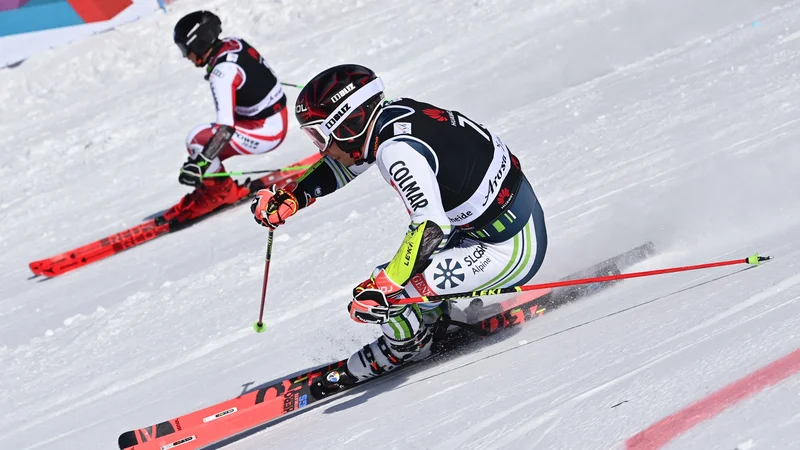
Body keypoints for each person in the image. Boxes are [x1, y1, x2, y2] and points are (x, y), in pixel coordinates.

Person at [250, 64, 548, 386]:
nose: (322, 149)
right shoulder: (391, 116)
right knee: (398, 278)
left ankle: (408, 347)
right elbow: (349, 163)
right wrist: (295, 196)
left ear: (349, 124)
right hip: (493, 227)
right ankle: (431, 320)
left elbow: (431, 226)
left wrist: (387, 286)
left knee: (386, 293)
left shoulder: (396, 151)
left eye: (321, 135)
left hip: (510, 248)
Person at [165, 10, 289, 222]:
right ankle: (216, 185)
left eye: (185, 48)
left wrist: (201, 164)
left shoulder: (221, 73)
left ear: (199, 42)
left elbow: (226, 129)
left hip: (267, 131)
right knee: (203, 146)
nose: (186, 55)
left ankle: (220, 194)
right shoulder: (233, 43)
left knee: (197, 139)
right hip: (274, 117)